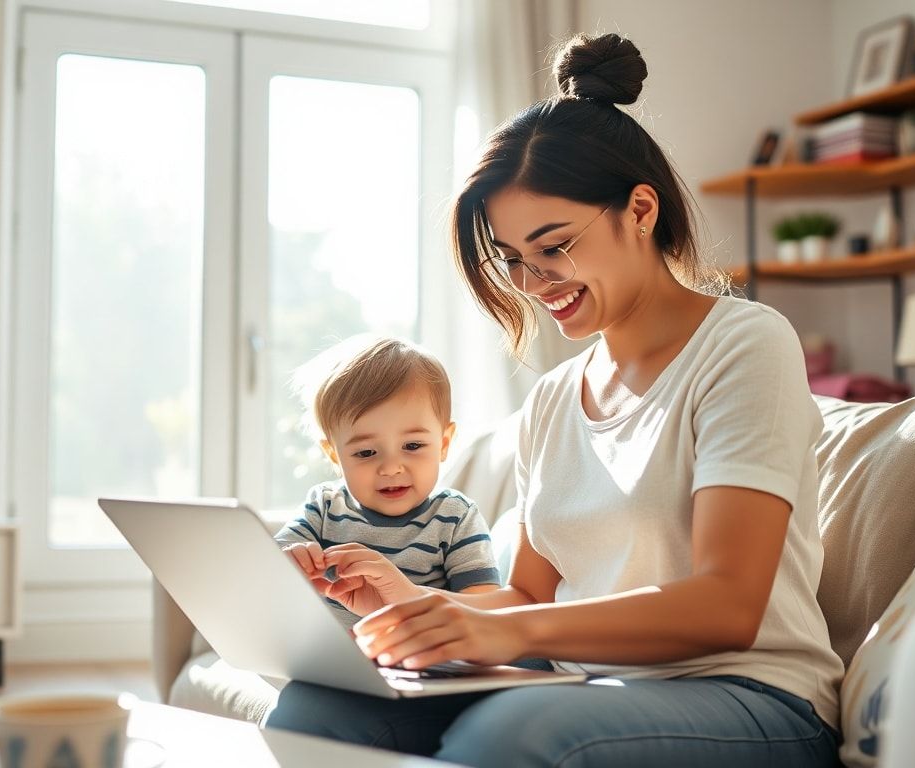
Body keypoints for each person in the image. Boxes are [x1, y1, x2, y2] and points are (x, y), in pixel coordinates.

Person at [264, 32, 845, 767]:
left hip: (751, 695)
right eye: (512, 260)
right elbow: (529, 599)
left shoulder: (744, 344)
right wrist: (406, 601)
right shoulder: (551, 400)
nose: (533, 283)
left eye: (554, 246)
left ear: (640, 210)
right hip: (586, 687)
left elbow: (728, 604)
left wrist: (509, 633)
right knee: (318, 709)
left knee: (506, 735)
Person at [276, 335, 501, 630]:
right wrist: (293, 558)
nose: (392, 468)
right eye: (366, 453)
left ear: (444, 444)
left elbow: (485, 608)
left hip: (419, 655)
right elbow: (269, 563)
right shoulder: (324, 507)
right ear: (334, 455)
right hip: (331, 655)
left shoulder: (455, 517)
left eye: (413, 446)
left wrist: (409, 598)